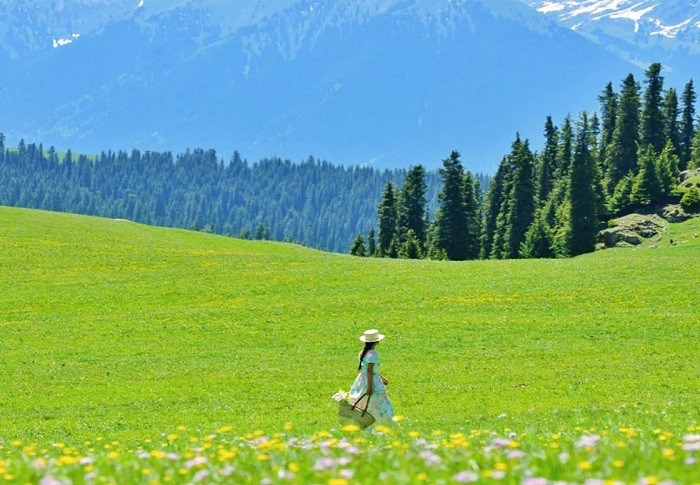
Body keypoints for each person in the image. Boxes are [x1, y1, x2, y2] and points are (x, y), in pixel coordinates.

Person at [349, 329, 394, 422]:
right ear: (377, 341)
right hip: (370, 380)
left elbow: (368, 369)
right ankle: (379, 421)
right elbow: (369, 370)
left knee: (364, 401)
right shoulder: (373, 354)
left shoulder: (363, 352)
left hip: (362, 379)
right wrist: (370, 387)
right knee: (377, 402)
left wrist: (382, 378)